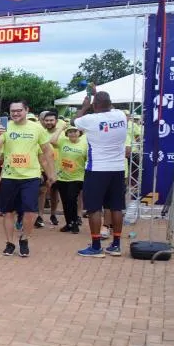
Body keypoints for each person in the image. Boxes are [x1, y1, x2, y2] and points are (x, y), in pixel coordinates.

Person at [0, 100, 56, 258]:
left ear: (26, 110)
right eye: (13, 111)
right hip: (9, 176)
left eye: (19, 110)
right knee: (8, 212)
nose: (16, 113)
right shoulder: (5, 127)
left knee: (30, 212)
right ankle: (10, 243)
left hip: (30, 176)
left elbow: (46, 151)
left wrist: (52, 172)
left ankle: (24, 239)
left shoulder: (37, 128)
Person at [72, 91, 129, 257]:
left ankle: (96, 246)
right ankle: (116, 244)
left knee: (94, 208)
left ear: (94, 106)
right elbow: (109, 107)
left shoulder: (90, 119)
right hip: (118, 168)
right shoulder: (120, 116)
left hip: (97, 169)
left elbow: (74, 121)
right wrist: (98, 98)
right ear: (110, 103)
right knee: (116, 207)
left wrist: (84, 107)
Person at [49, 125, 88, 233]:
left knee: (72, 199)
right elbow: (52, 141)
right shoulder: (63, 141)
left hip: (77, 177)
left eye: (75, 131)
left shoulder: (84, 144)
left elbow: (88, 160)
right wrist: (60, 129)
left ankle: (75, 223)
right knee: (65, 201)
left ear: (79, 133)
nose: (72, 134)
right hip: (62, 177)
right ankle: (68, 223)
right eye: (70, 132)